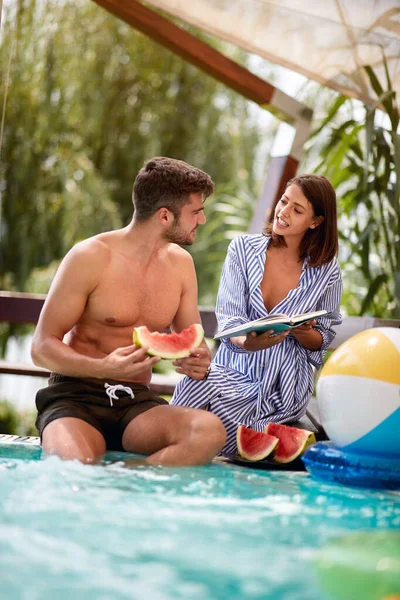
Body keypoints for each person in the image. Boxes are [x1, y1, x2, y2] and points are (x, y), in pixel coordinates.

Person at [31, 157, 226, 465]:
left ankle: (127, 484)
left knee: (208, 432)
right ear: (164, 216)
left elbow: (194, 340)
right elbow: (41, 348)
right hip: (75, 397)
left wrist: (198, 359)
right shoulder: (90, 257)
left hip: (134, 401)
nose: (201, 220)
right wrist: (103, 368)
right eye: (196, 212)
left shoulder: (181, 265)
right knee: (71, 468)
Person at [171, 174, 343, 455]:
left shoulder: (327, 272)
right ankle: (169, 453)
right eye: (284, 201)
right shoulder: (242, 250)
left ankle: (196, 451)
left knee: (212, 434)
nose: (284, 212)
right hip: (235, 372)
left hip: (284, 387)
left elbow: (322, 338)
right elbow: (229, 318)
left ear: (316, 222)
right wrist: (248, 342)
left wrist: (302, 331)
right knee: (195, 386)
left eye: (297, 210)